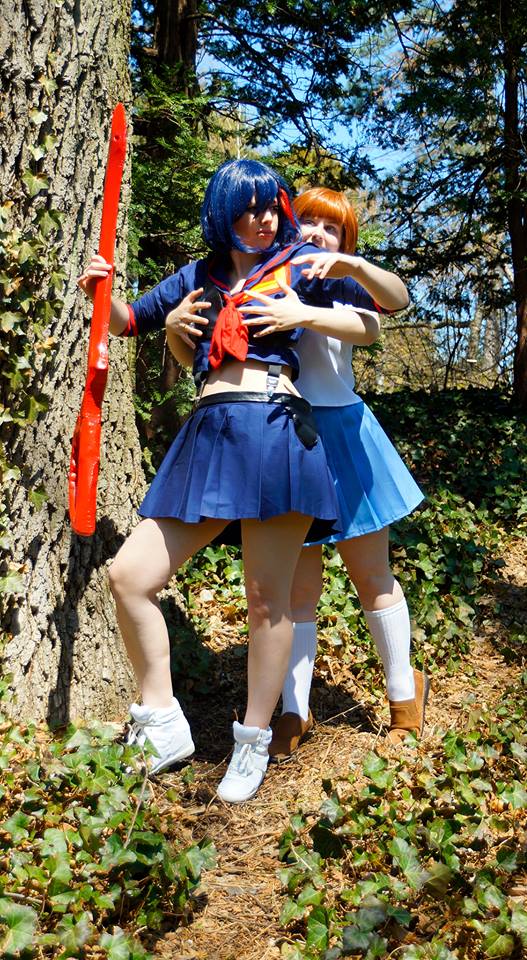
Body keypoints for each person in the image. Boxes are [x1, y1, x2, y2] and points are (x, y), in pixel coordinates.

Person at [76, 160, 381, 803]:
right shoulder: (199, 276)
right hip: (210, 432)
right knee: (129, 576)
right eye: (250, 207)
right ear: (223, 213)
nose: (265, 218)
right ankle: (162, 720)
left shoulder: (301, 264)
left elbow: (381, 316)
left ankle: (253, 740)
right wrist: (100, 291)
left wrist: (315, 304)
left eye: (272, 206)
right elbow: (125, 321)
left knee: (268, 599)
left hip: (276, 428)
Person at [237, 188, 427, 758]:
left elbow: (388, 310)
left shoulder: (342, 282)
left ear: (345, 240)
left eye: (333, 226)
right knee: (297, 589)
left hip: (345, 436)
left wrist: (351, 268)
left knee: (372, 576)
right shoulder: (266, 273)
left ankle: (404, 696)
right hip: (287, 437)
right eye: (309, 221)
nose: (318, 232)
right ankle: (294, 711)